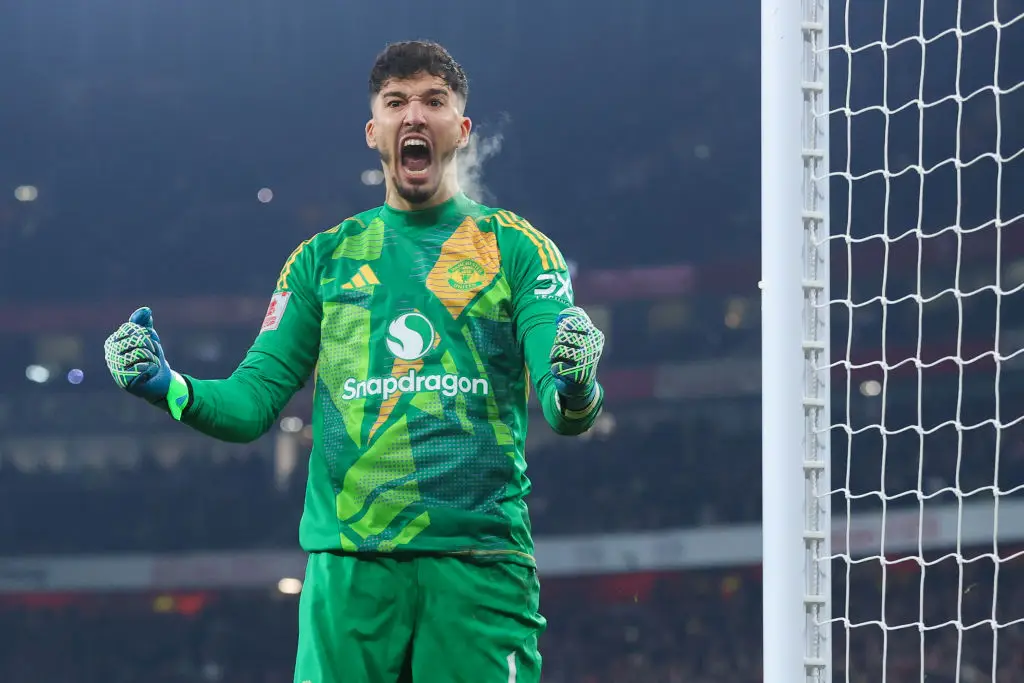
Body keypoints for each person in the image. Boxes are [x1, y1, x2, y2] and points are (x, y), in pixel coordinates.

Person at [103, 40, 606, 683]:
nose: (414, 116)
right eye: (396, 103)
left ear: (462, 130)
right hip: (349, 568)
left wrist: (575, 381)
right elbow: (251, 402)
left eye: (434, 101)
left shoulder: (517, 249)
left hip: (476, 564)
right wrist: (167, 386)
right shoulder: (322, 260)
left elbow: (565, 405)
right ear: (374, 132)